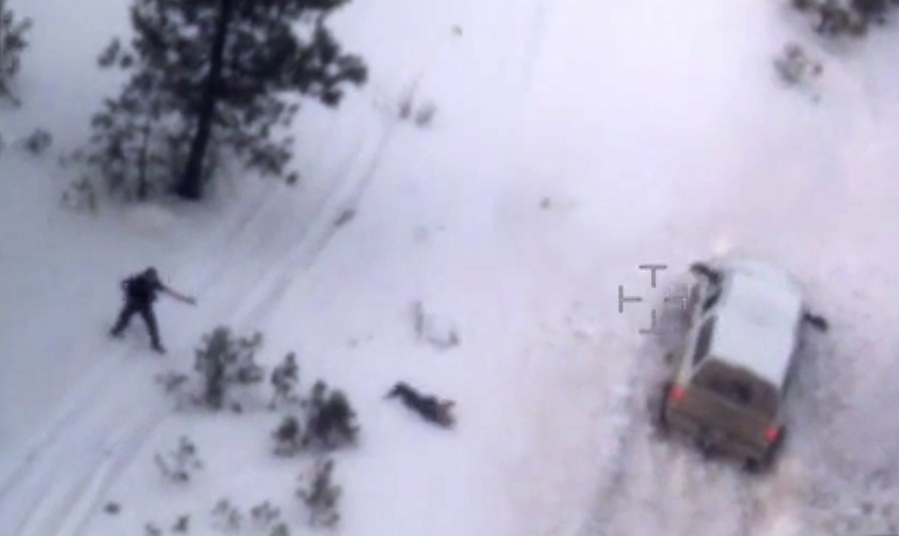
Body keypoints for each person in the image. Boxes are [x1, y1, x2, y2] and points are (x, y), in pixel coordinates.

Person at [109, 267, 196, 354]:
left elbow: (168, 291)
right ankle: (117, 331)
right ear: (146, 275)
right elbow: (126, 285)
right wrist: (149, 297)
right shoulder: (138, 281)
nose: (152, 279)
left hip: (140, 305)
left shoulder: (153, 282)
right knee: (129, 319)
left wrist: (186, 300)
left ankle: (155, 344)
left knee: (151, 325)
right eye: (151, 277)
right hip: (135, 304)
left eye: (153, 277)